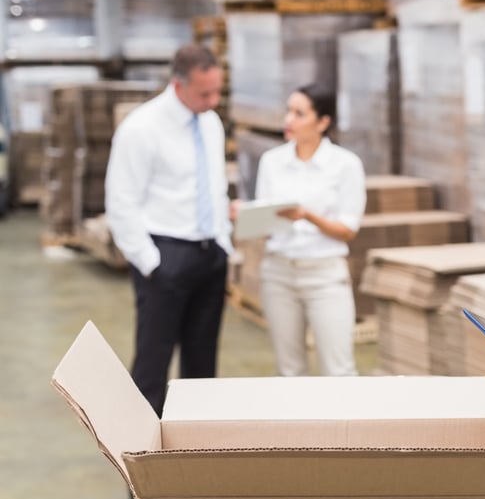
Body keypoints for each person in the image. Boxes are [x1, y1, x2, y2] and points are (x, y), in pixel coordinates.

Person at [105, 44, 231, 417]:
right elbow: (121, 201)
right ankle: (140, 455)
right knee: (153, 362)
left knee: (202, 361)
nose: (213, 100)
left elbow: (214, 184)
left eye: (217, 90)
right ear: (179, 86)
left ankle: (194, 446)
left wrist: (223, 241)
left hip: (210, 254)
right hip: (165, 255)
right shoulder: (141, 129)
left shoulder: (210, 122)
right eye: (204, 93)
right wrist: (150, 263)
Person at [250, 84, 366, 376]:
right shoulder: (272, 162)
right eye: (288, 111)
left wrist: (306, 215)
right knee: (289, 372)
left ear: (323, 122)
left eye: (299, 113)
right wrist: (249, 217)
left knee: (339, 371)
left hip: (325, 276)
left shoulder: (345, 165)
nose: (288, 120)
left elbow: (348, 230)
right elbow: (266, 226)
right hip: (278, 273)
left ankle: (345, 423)